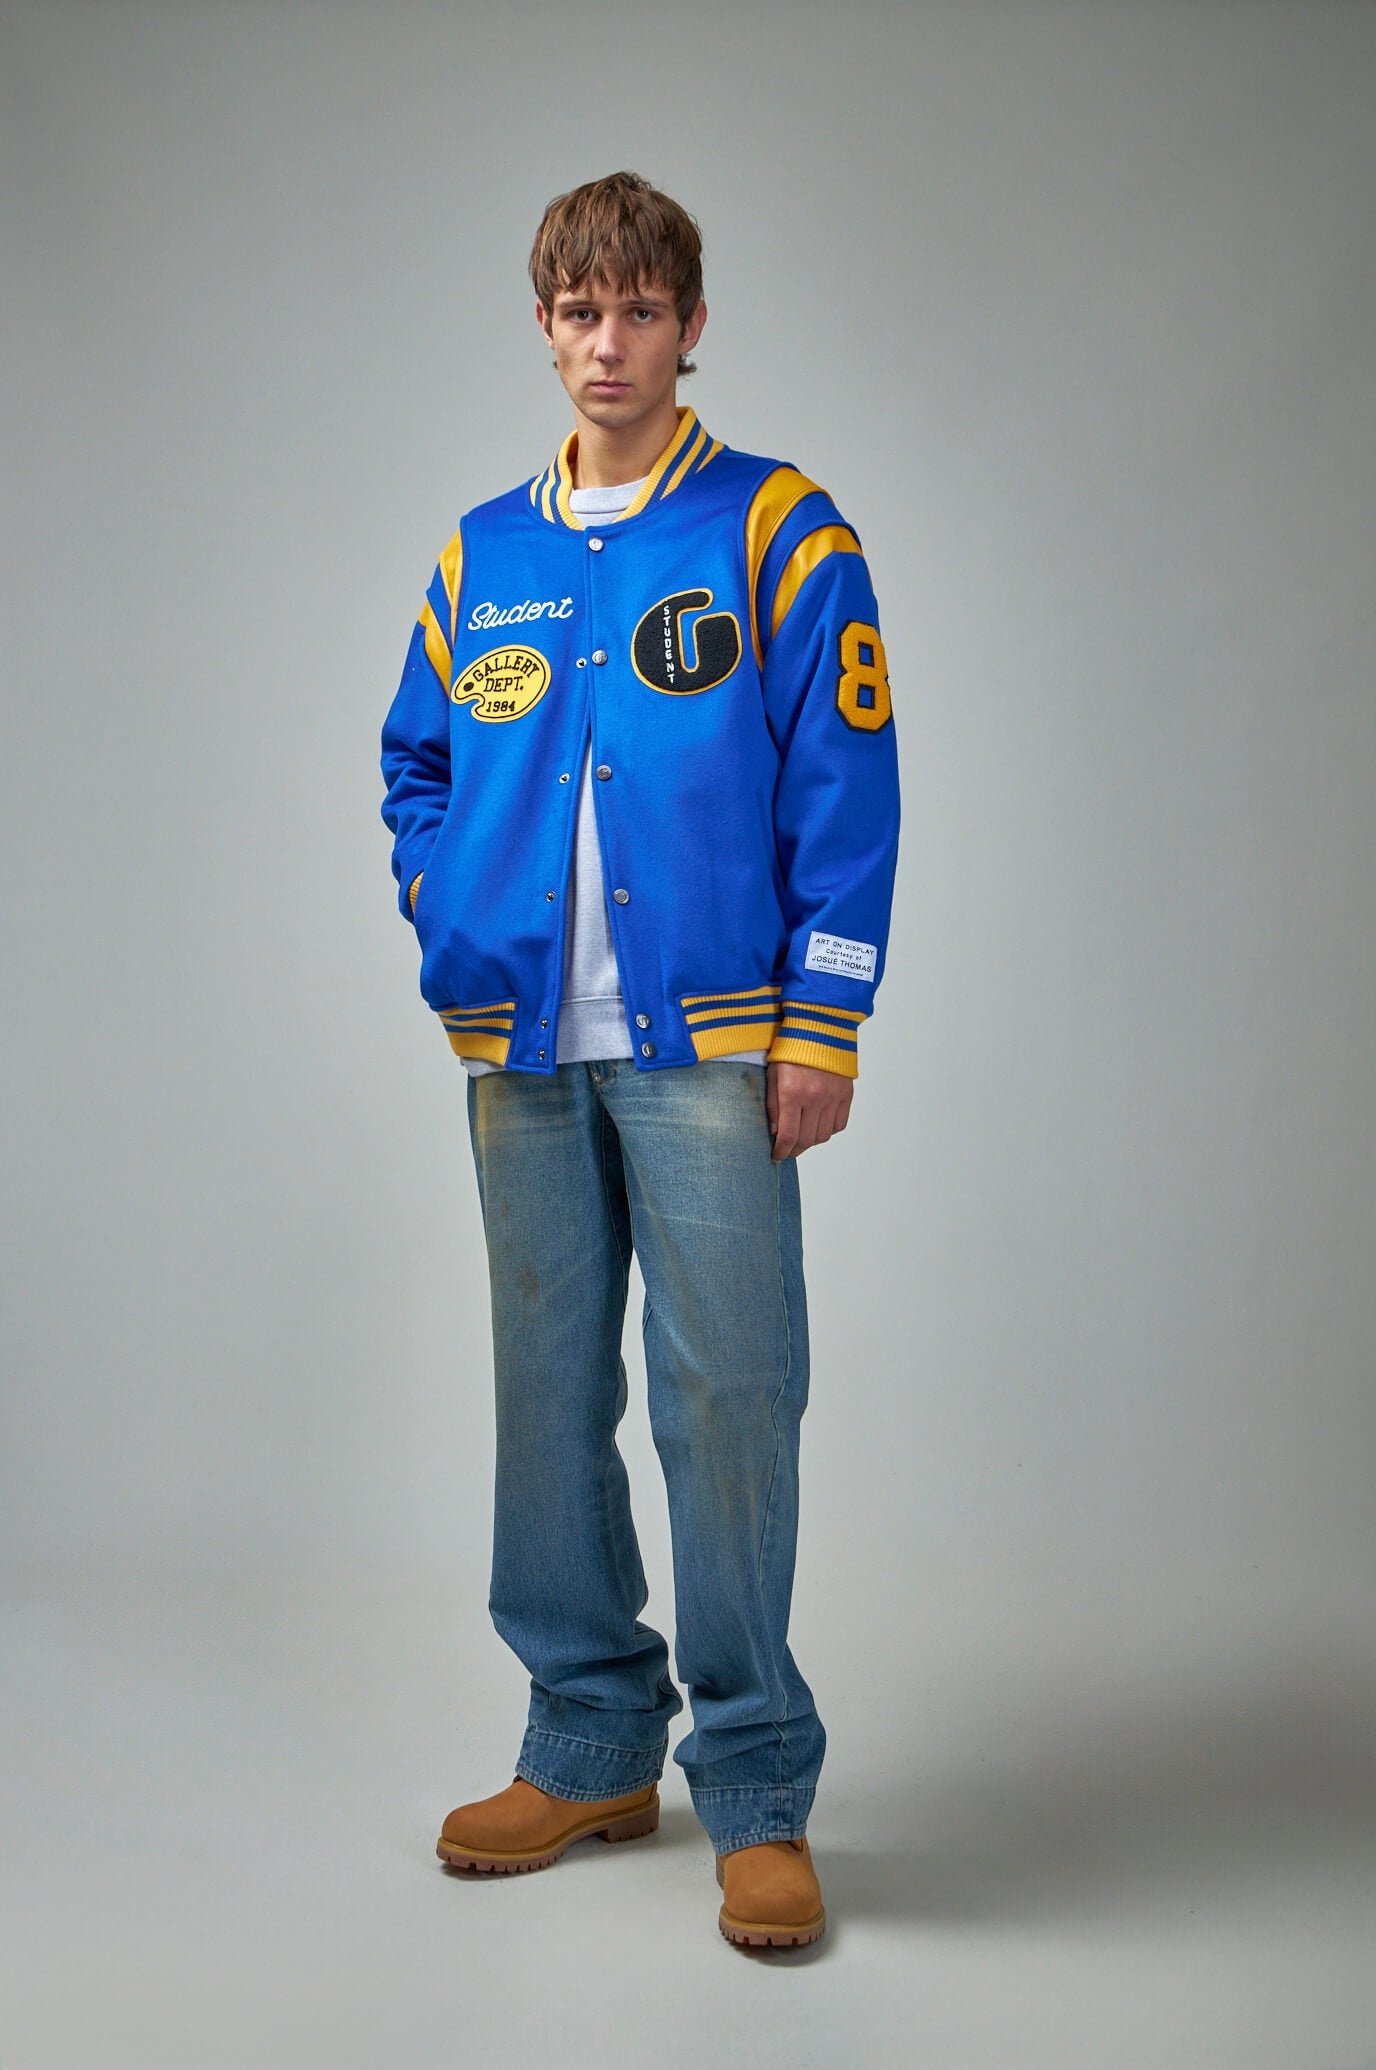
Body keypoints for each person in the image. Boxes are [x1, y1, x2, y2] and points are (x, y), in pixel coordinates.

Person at [379, 170, 900, 1949]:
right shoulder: (482, 558)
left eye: (642, 312)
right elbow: (415, 764)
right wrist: (452, 912)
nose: (609, 343)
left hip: (716, 1047)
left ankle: (755, 1787)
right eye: (579, 312)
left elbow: (845, 777)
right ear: (544, 329)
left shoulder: (778, 531)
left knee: (731, 1400)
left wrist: (824, 1019)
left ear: (691, 327)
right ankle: (591, 1742)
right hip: (522, 1056)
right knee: (545, 1401)